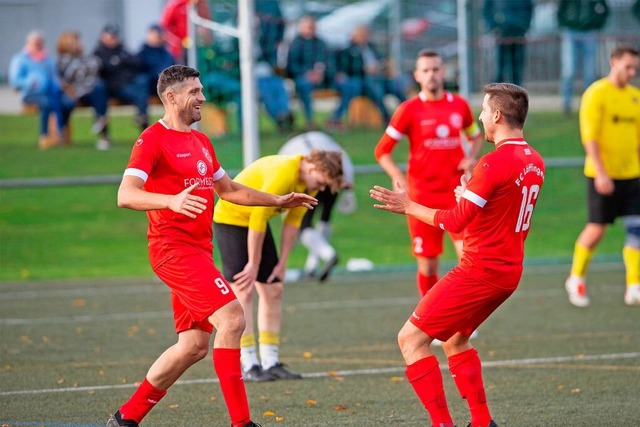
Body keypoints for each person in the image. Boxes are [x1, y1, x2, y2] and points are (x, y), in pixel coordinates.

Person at [106, 64, 317, 427]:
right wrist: (170, 201)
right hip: (172, 250)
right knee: (233, 318)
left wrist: (278, 201)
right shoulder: (152, 140)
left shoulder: (201, 141)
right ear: (171, 98)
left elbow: (230, 190)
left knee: (192, 347)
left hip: (199, 251)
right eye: (194, 91)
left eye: (202, 90)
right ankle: (242, 423)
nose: (202, 97)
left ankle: (126, 418)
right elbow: (126, 195)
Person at [370, 82, 545, 427]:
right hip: (508, 273)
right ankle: (482, 421)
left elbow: (453, 221)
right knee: (455, 339)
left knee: (410, 339)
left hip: (479, 271)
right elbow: (500, 210)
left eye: (483, 110)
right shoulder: (535, 159)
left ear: (496, 115)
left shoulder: (493, 163)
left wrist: (408, 206)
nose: (480, 117)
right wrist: (469, 193)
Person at [213, 150, 343, 382]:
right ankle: (249, 362)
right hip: (231, 220)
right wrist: (253, 263)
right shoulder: (284, 172)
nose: (321, 189)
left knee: (274, 289)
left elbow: (293, 223)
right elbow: (258, 217)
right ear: (313, 168)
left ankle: (270, 361)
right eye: (322, 182)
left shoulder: (309, 185)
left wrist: (283, 262)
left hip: (256, 226)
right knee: (243, 290)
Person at [374, 49, 483, 298]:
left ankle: (462, 321)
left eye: (435, 69)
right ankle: (430, 320)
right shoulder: (408, 109)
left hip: (457, 196)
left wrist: (471, 157)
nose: (431, 75)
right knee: (428, 265)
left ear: (443, 72)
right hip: (421, 198)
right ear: (417, 76)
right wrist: (396, 175)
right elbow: (382, 151)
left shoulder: (459, 105)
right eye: (425, 70)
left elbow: (475, 136)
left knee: (468, 258)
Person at [565, 46, 640, 307]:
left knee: (636, 229)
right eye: (627, 67)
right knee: (597, 229)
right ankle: (576, 277)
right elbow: (590, 138)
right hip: (603, 175)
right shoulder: (596, 93)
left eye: (635, 68)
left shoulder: (635, 97)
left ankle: (634, 285)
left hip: (632, 174)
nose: (631, 73)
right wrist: (601, 173)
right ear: (614, 62)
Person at [278, 131, 356, 281]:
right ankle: (312, 266)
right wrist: (348, 184)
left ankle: (328, 254)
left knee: (304, 225)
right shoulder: (322, 137)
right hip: (334, 177)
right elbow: (341, 155)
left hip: (311, 180)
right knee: (325, 219)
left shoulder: (290, 147)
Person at [9, 30, 68, 150]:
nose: (38, 44)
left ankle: (60, 132)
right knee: (47, 103)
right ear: (28, 43)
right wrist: (30, 82)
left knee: (68, 103)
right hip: (30, 93)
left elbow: (54, 76)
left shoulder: (47, 59)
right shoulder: (20, 59)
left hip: (50, 92)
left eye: (40, 42)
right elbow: (15, 80)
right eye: (36, 42)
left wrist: (58, 85)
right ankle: (44, 135)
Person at [56, 30, 111, 150]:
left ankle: (101, 127)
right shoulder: (62, 60)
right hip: (72, 91)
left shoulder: (85, 57)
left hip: (88, 90)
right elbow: (67, 77)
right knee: (67, 103)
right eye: (75, 41)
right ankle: (62, 132)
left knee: (100, 88)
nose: (79, 44)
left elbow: (96, 66)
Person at [328, 25, 390, 130]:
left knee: (396, 84)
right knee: (373, 89)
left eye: (366, 34)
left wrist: (381, 65)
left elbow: (381, 58)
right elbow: (348, 67)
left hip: (378, 76)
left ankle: (408, 117)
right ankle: (386, 118)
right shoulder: (349, 49)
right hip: (361, 78)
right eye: (361, 35)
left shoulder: (371, 47)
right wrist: (364, 69)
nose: (364, 37)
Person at [557, 0, 609, 115]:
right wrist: (564, 23)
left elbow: (605, 10)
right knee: (568, 71)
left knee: (590, 73)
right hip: (570, 31)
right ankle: (566, 106)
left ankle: (589, 105)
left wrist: (597, 24)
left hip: (589, 32)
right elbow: (560, 10)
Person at [94, 24, 150, 131]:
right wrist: (119, 62)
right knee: (99, 89)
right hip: (111, 88)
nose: (112, 39)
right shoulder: (99, 53)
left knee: (142, 82)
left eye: (114, 37)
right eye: (110, 36)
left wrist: (119, 61)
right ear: (103, 37)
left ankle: (142, 119)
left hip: (127, 84)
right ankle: (143, 122)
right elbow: (104, 70)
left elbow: (136, 63)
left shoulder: (122, 50)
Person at [286, 16, 331, 129]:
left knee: (350, 85)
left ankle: (334, 119)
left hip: (323, 78)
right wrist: (307, 73)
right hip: (303, 78)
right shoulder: (295, 44)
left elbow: (329, 61)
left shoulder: (321, 43)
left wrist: (321, 72)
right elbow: (291, 65)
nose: (310, 29)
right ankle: (310, 120)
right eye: (307, 27)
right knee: (304, 85)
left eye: (312, 27)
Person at [483, 0, 534, 86]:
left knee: (517, 67)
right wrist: (493, 26)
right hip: (502, 33)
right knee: (500, 68)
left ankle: (516, 94)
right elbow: (486, 10)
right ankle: (498, 95)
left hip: (518, 32)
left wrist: (524, 25)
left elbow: (529, 8)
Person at [160, 0, 212, 64]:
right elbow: (164, 28)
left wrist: (206, 38)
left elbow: (206, 23)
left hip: (198, 47)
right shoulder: (175, 4)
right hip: (180, 50)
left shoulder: (202, 5)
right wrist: (177, 42)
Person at [137, 24, 176, 96]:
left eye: (159, 36)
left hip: (167, 85)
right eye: (155, 36)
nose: (158, 38)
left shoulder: (167, 54)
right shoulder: (142, 54)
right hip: (151, 86)